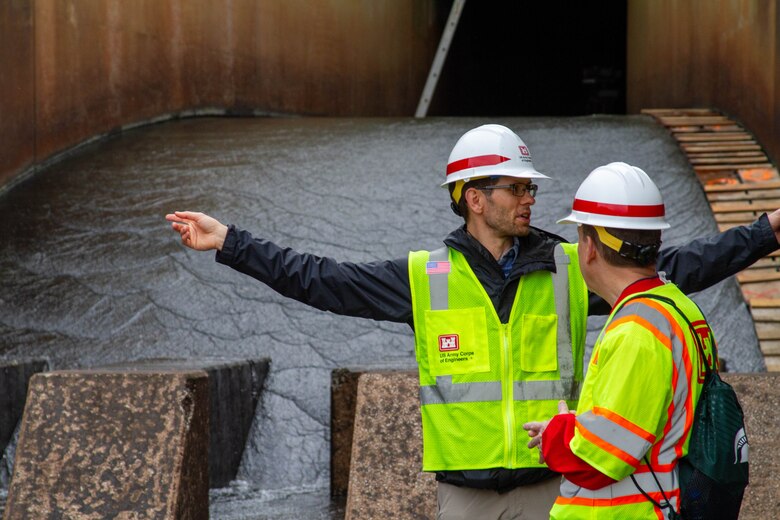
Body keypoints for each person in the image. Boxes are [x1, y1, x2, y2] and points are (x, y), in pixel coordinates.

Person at [166, 124, 779, 520]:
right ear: (473, 198)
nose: (529, 198)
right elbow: (320, 278)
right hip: (466, 496)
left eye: (530, 187)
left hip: (554, 486)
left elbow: (673, 266)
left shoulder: (572, 268)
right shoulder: (424, 277)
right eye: (514, 188)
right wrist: (231, 243)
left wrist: (764, 234)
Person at [523, 162, 719, 519]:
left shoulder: (637, 331)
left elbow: (600, 460)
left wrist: (557, 433)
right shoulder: (677, 306)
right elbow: (638, 420)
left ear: (590, 247)